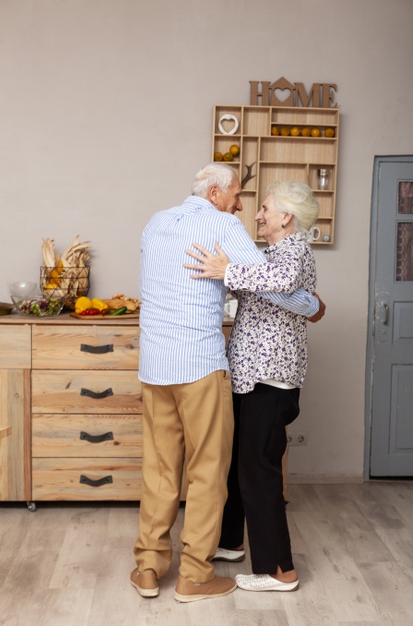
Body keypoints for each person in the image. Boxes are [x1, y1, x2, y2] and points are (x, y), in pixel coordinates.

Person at [131, 165, 321, 603]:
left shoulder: (156, 221)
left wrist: (227, 281)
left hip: (154, 365)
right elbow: (274, 288)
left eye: (257, 202)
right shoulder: (222, 225)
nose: (242, 205)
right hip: (198, 365)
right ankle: (194, 576)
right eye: (237, 194)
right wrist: (313, 305)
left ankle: (147, 568)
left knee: (159, 471)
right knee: (207, 472)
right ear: (215, 193)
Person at [184, 180, 321, 592]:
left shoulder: (294, 251)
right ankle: (228, 542)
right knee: (237, 464)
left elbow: (278, 282)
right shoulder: (269, 253)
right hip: (249, 375)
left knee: (258, 470)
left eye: (264, 209)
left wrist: (227, 269)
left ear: (286, 217)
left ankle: (279, 570)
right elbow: (261, 285)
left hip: (270, 377)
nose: (257, 215)